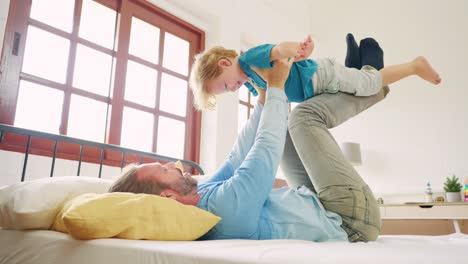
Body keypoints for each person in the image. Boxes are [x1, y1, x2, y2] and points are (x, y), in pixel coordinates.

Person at [189, 34, 441, 111]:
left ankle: (414, 66)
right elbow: (266, 98)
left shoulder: (249, 59)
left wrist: (297, 49)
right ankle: (353, 60)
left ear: (224, 64)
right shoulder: (247, 82)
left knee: (368, 84)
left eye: (225, 86)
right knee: (350, 83)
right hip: (318, 87)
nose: (232, 90)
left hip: (319, 76)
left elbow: (278, 49)